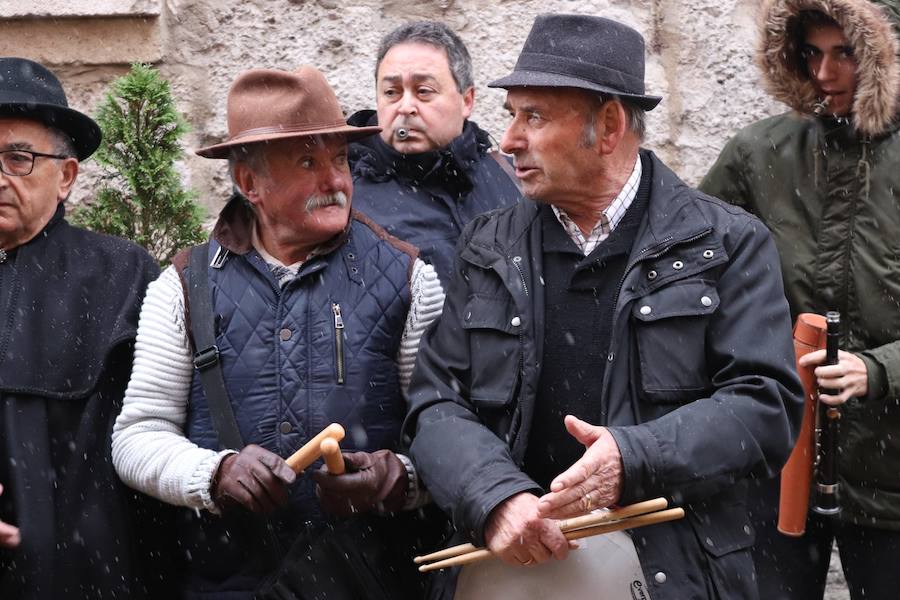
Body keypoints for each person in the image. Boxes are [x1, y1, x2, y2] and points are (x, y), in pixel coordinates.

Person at [404, 14, 803, 600]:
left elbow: (765, 407)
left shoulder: (727, 244)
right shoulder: (487, 247)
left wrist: (635, 457)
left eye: (533, 116)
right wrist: (494, 497)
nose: (508, 140)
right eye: (512, 114)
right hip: (512, 573)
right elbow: (435, 402)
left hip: (675, 576)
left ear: (610, 125)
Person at [111, 64, 445, 599]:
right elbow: (137, 437)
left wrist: (396, 478)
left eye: (340, 159)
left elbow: (452, 434)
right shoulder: (183, 286)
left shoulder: (409, 277)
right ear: (250, 184)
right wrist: (214, 474)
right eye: (308, 162)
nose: (335, 182)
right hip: (228, 586)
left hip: (368, 582)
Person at [700, 1, 900, 597]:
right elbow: (689, 273)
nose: (824, 73)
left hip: (893, 475)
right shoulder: (759, 153)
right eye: (811, 53)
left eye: (845, 53)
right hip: (779, 461)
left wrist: (878, 370)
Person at [0, 58, 172, 598]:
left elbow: (161, 429)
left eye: (18, 158)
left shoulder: (122, 274)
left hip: (90, 574)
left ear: (67, 176)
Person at [349, 21, 522, 284]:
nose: (406, 107)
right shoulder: (346, 198)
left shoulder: (513, 177)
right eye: (391, 92)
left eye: (423, 91)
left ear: (466, 101)